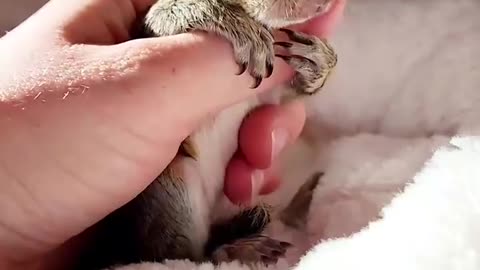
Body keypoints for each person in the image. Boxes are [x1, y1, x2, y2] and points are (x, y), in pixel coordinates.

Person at [0, 0, 345, 269]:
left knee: (257, 171)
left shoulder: (280, 33)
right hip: (171, 178)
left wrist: (314, 67)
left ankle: (228, 244)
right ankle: (196, 254)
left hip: (221, 191)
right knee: (176, 183)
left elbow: (288, 89)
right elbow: (162, 19)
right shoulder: (179, 6)